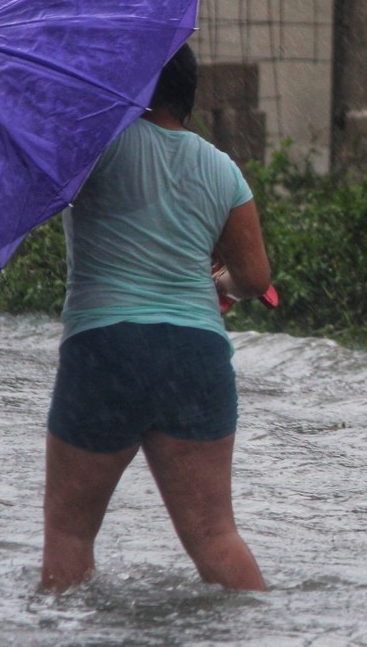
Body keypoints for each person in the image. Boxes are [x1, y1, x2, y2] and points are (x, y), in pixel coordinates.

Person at [41, 43, 272, 591]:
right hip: (196, 353)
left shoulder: (94, 148)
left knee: (70, 534)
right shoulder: (223, 170)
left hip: (106, 347)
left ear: (132, 87)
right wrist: (222, 285)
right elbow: (255, 280)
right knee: (216, 535)